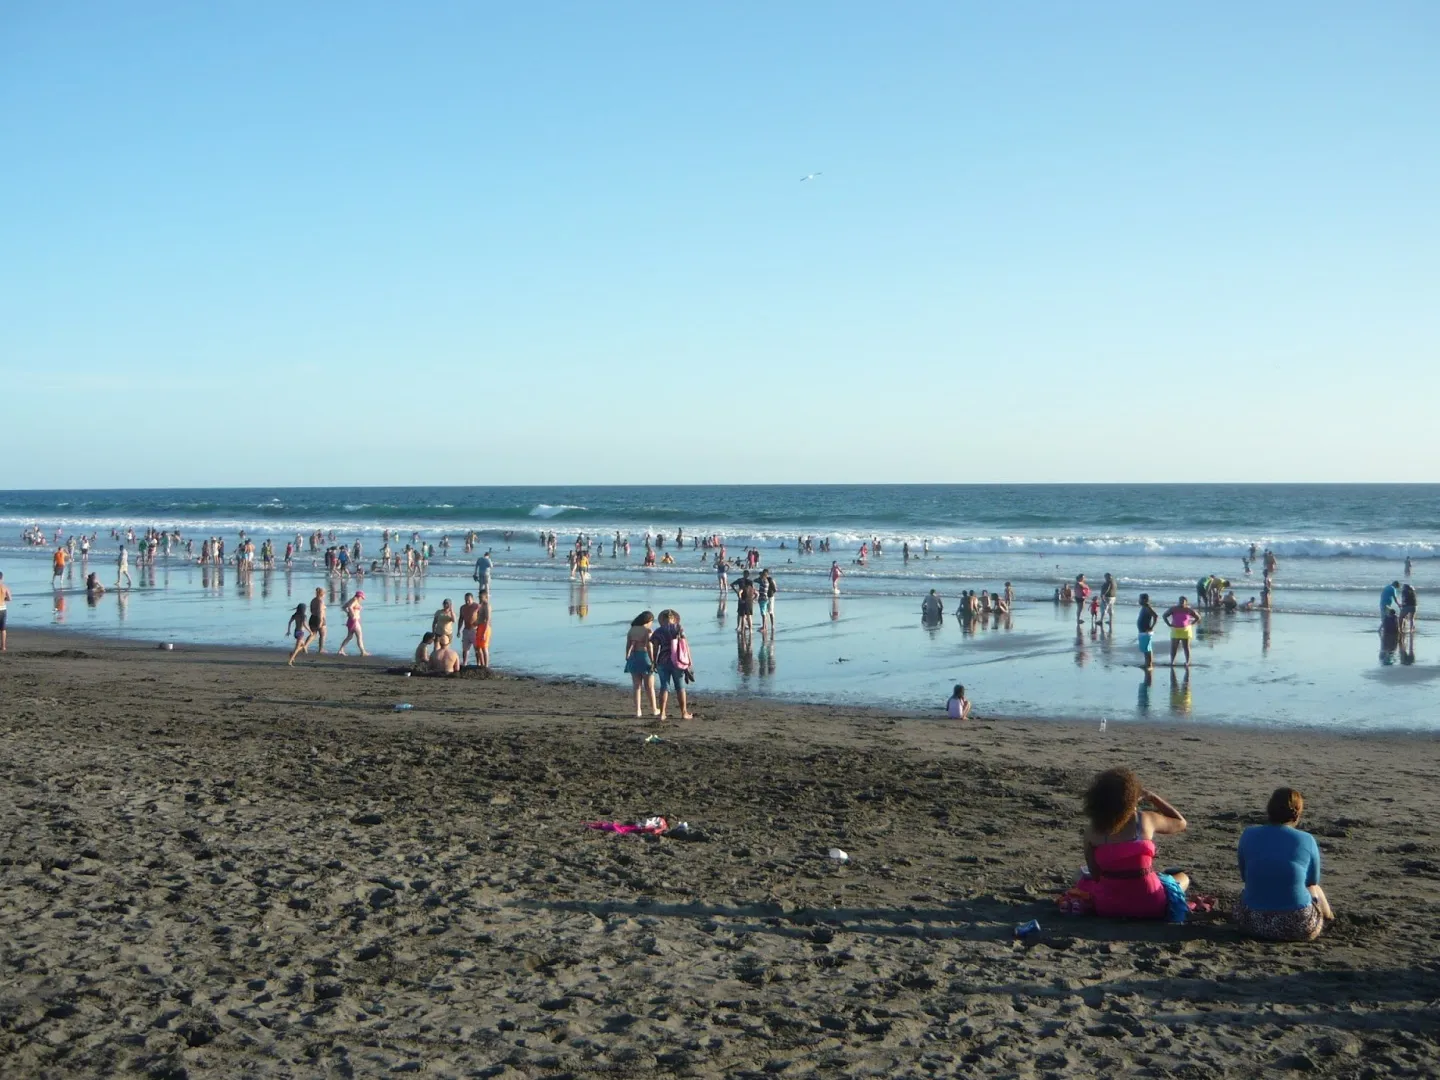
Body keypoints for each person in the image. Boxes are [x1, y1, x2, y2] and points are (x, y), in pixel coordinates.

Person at [1071, 768, 1190, 919]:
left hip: (1108, 906)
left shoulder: (1091, 831)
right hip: (1151, 903)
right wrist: (1152, 797)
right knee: (1183, 878)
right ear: (1130, 797)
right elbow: (1181, 823)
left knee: (1080, 874)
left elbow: (1096, 875)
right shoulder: (1145, 820)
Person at [1235, 787, 1334, 941]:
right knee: (1314, 889)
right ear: (1297, 813)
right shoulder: (1306, 839)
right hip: (1296, 925)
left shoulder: (1248, 834)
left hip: (1251, 922)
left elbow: (1245, 876)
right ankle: (1329, 920)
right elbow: (1312, 881)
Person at [650, 609, 693, 720]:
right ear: (674, 618)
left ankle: (662, 713)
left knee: (664, 686)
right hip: (678, 661)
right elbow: (685, 646)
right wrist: (689, 661)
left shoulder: (658, 631)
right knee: (680, 687)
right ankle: (684, 713)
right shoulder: (678, 628)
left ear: (662, 619)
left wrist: (654, 662)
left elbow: (655, 648)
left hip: (663, 661)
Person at [624, 610, 659, 718]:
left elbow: (628, 645)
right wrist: (653, 660)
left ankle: (638, 710)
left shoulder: (632, 629)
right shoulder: (647, 630)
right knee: (649, 686)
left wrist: (627, 656)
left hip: (634, 657)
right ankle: (654, 709)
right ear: (649, 620)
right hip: (644, 656)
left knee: (636, 686)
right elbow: (649, 647)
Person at [1162, 596, 1200, 668]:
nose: (1181, 602)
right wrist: (1168, 624)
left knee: (1186, 647)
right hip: (1175, 630)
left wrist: (1192, 624)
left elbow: (1198, 617)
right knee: (1174, 647)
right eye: (1180, 601)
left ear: (1186, 602)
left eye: (1183, 601)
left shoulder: (1188, 610)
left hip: (1185, 630)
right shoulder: (1173, 609)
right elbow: (1164, 616)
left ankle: (1187, 661)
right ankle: (1172, 661)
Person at [337, 591, 367, 656]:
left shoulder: (351, 600)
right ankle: (363, 652)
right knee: (359, 636)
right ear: (359, 596)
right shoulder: (355, 600)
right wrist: (352, 614)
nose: (362, 599)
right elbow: (350, 607)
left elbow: (343, 607)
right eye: (361, 598)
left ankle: (341, 650)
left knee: (349, 637)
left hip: (351, 621)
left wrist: (348, 612)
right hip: (354, 621)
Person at [1136, 593, 1159, 671]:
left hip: (1146, 631)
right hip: (1142, 631)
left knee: (1147, 649)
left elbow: (1156, 616)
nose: (1139, 601)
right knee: (1145, 649)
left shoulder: (1148, 607)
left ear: (1145, 600)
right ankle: (1146, 663)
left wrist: (1152, 627)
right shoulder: (1144, 607)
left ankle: (1149, 664)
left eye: (1140, 599)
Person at [474, 590, 492, 670]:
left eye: (481, 597)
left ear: (485, 597)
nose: (480, 598)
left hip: (485, 627)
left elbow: (487, 619)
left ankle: (486, 665)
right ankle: (482, 664)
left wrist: (484, 632)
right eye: (479, 597)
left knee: (484, 647)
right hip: (480, 626)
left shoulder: (487, 606)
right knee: (478, 646)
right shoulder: (481, 605)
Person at [308, 588, 327, 654]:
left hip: (312, 617)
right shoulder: (320, 601)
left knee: (313, 634)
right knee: (323, 634)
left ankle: (305, 645)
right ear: (322, 594)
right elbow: (320, 612)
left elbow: (311, 610)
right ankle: (321, 649)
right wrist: (321, 621)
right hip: (319, 618)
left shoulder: (313, 600)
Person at [0, 571, 9, 651]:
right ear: (2, 578)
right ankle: (3, 646)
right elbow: (9, 598)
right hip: (3, 609)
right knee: (3, 629)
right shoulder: (5, 587)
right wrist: (4, 598)